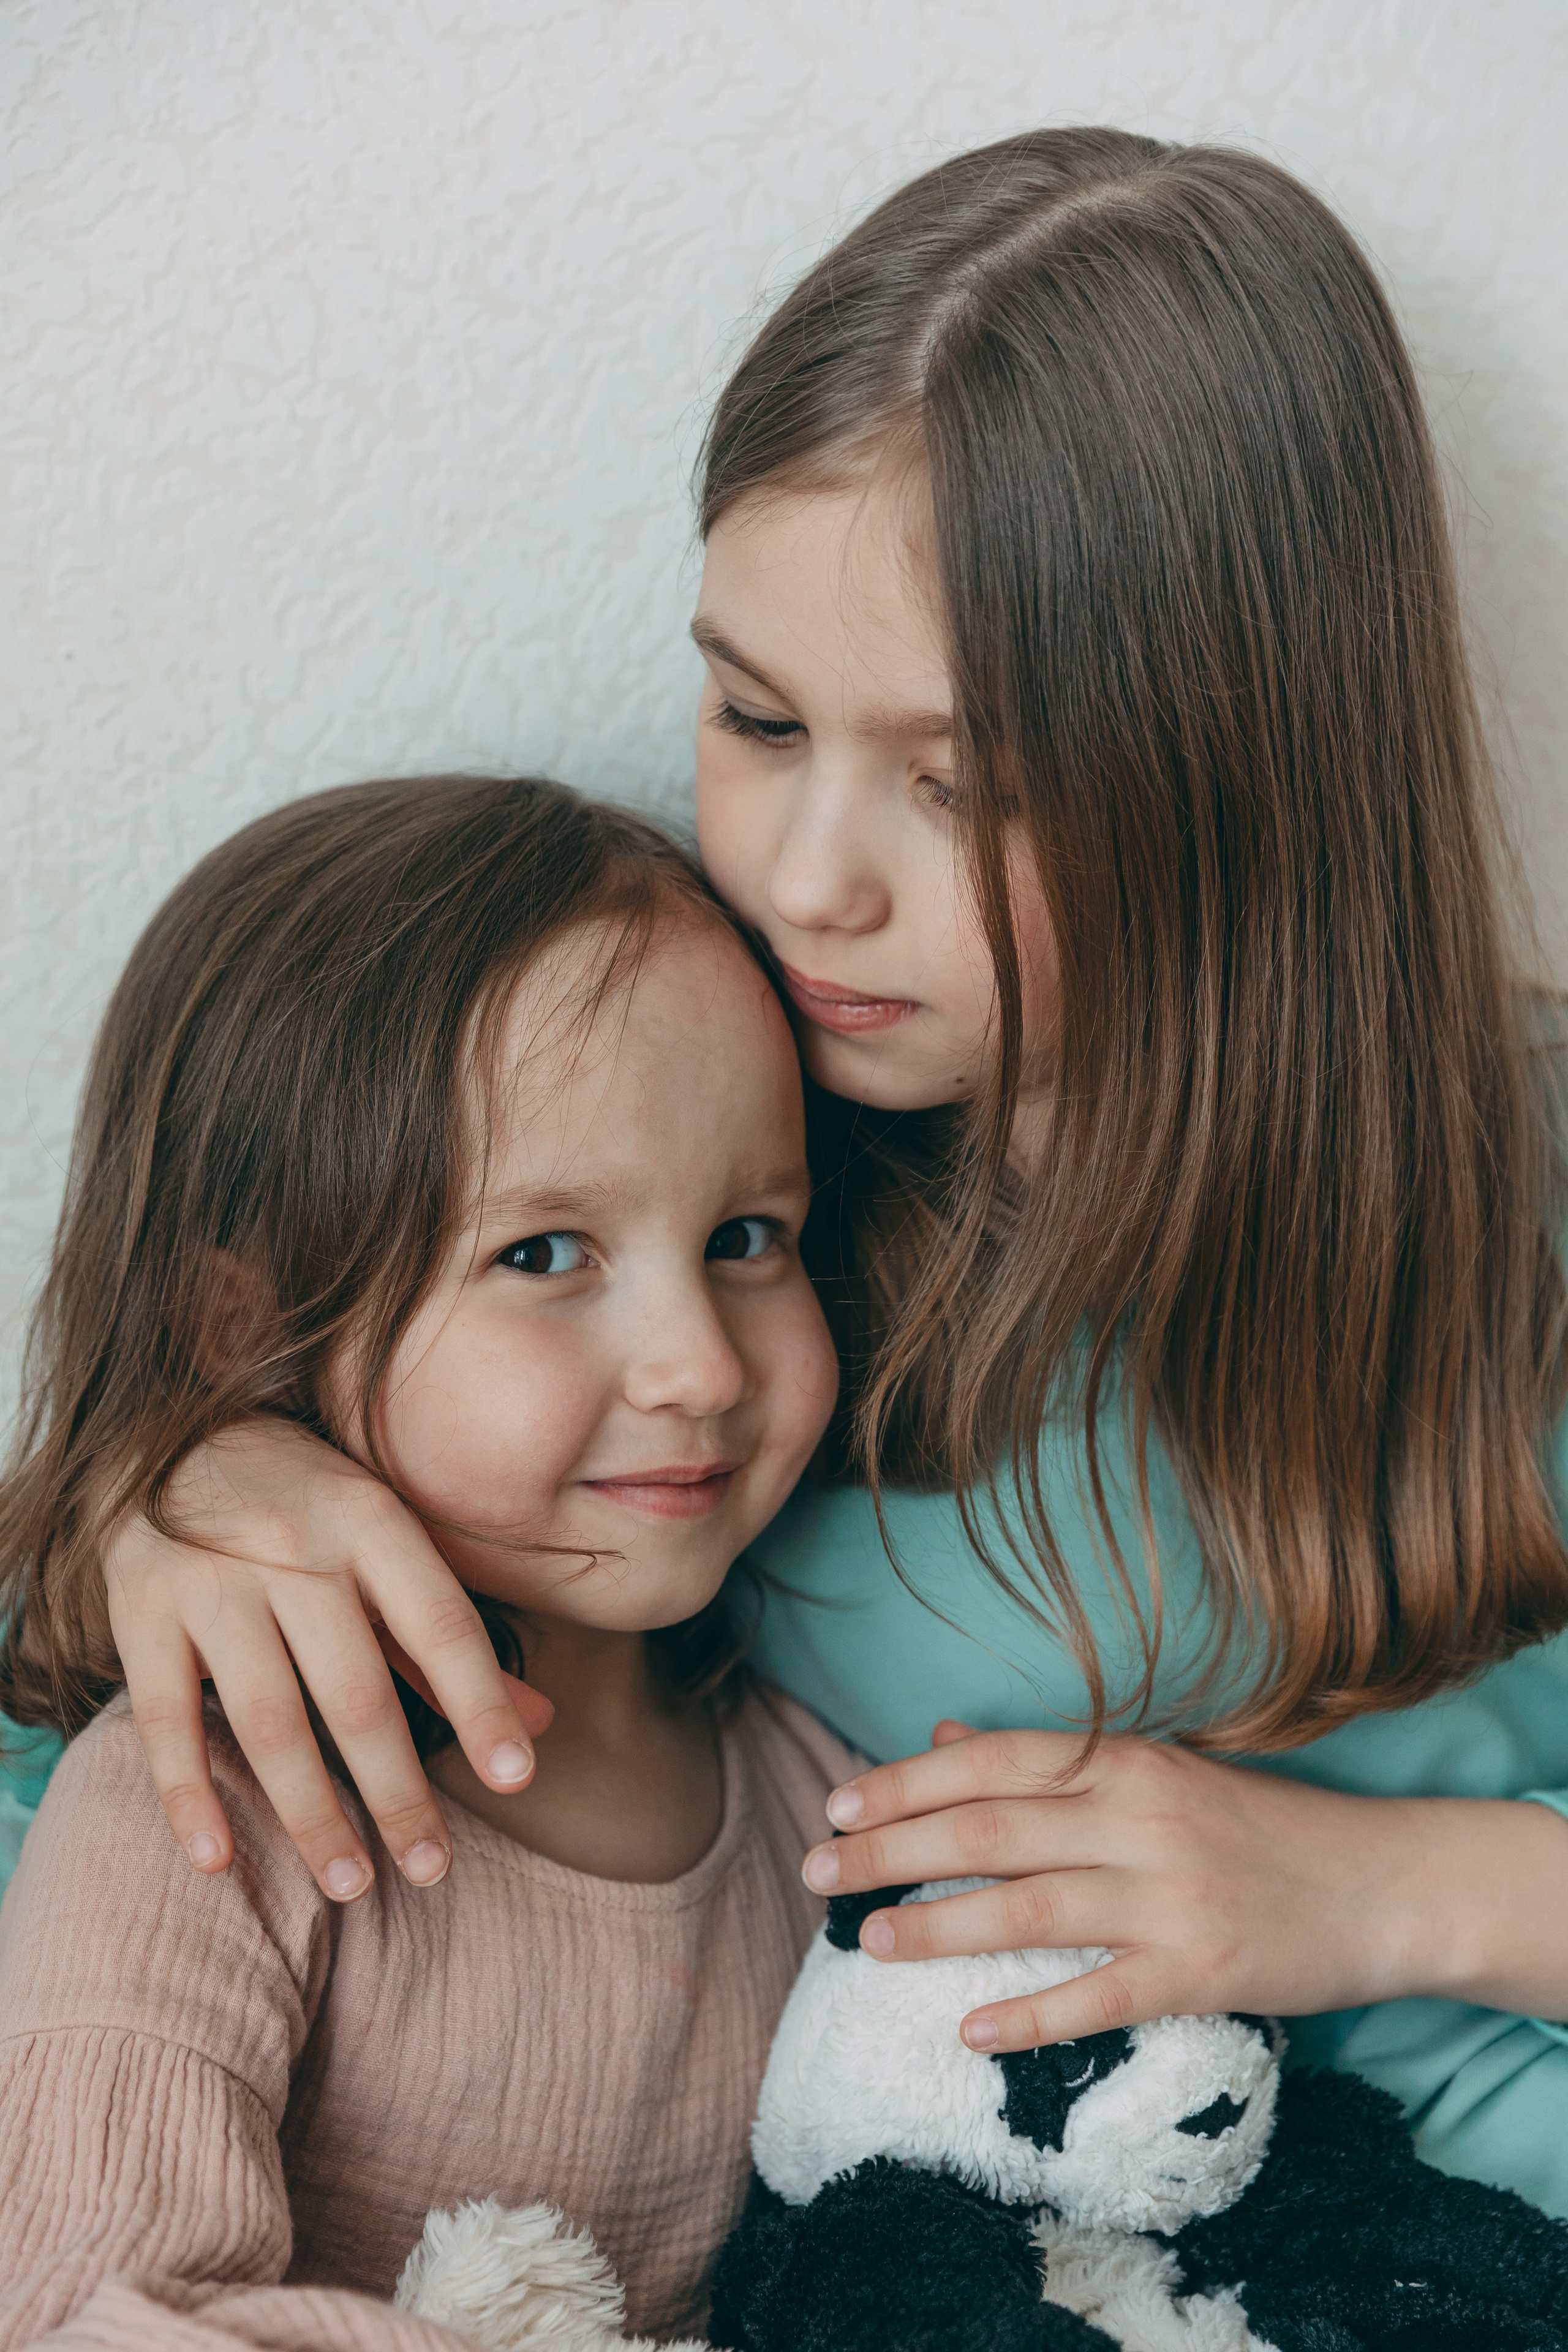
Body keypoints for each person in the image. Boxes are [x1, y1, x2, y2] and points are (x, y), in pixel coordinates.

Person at [9, 126, 1568, 2216]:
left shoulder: (1527, 1184)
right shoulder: (735, 1202)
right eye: (754, 719)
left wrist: (1380, 1892)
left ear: (1242, 777)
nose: (810, 881)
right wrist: (189, 1474)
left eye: (964, 782)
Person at [0, 775, 848, 2346]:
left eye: (745, 1236)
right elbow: (87, 2318)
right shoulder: (208, 1806)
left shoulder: (822, 1799)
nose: (699, 1366)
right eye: (543, 1254)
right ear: (241, 1328)